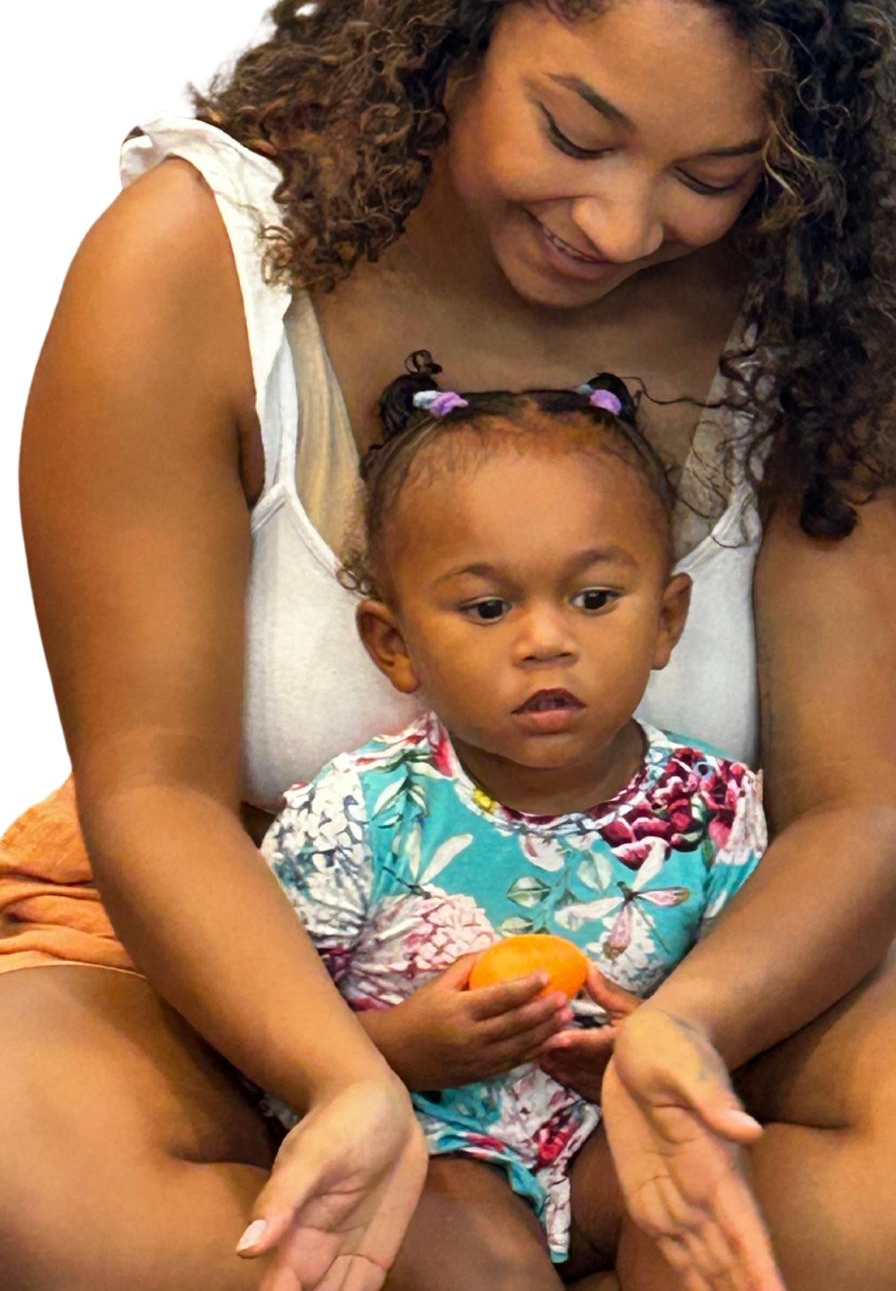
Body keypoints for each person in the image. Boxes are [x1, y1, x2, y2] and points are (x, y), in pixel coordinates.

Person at [0, 0, 896, 1291]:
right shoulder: (191, 271)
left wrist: (688, 1031)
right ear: (457, 26)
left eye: (710, 175)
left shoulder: (834, 320)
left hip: (663, 973)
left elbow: (860, 810)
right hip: (248, 971)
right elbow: (153, 794)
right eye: (577, 130)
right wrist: (347, 1074)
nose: (618, 223)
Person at [259, 361, 771, 1285]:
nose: (545, 639)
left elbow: (757, 1003)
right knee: (479, 1270)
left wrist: (658, 1044)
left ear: (666, 619)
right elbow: (256, 1034)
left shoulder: (716, 811)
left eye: (594, 598)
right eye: (489, 607)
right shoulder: (356, 811)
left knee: (709, 1222)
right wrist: (397, 1051)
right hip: (427, 1148)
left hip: (617, 1137)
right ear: (395, 643)